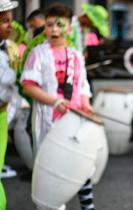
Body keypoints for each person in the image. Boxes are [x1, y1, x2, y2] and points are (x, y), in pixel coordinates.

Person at [20, 4, 94, 210]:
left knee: (82, 168)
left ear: (69, 29)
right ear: (44, 28)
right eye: (50, 24)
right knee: (53, 174)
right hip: (49, 123)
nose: (54, 30)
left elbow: (83, 88)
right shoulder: (38, 54)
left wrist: (88, 108)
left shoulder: (76, 55)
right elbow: (28, 87)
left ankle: (88, 207)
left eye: (60, 25)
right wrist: (56, 102)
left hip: (75, 122)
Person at [0, 0, 20, 208]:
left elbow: (14, 88)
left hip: (2, 117)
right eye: (5, 21)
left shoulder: (12, 49)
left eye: (10, 21)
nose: (10, 26)